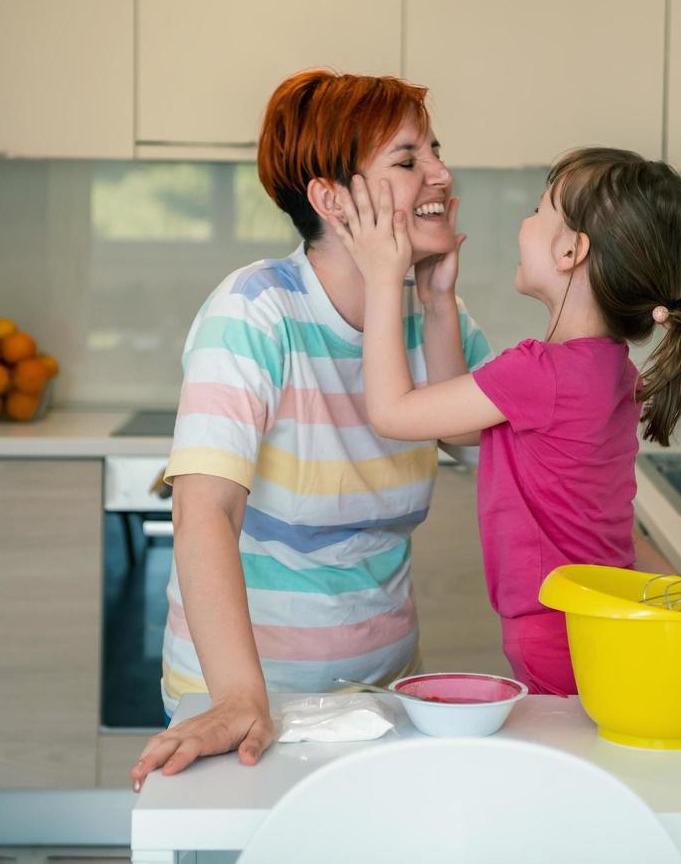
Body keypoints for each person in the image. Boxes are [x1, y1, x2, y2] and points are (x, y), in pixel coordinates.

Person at [129, 70, 491, 789]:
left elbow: (485, 441)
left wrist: (441, 305)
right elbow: (206, 510)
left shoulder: (429, 314)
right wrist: (237, 698)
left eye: (436, 150)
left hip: (383, 694)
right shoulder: (255, 312)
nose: (442, 174)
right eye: (408, 159)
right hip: (250, 698)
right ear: (331, 198)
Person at [334, 147, 681, 695]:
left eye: (539, 210)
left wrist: (383, 279)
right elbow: (461, 427)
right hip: (597, 621)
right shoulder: (608, 370)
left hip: (554, 631)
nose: (525, 223)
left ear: (569, 251)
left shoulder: (540, 372)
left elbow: (393, 412)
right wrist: (439, 303)